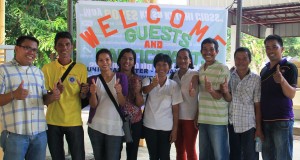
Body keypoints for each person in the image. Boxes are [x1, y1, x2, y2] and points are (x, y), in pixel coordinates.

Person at [0, 35, 60, 160]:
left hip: (39, 134)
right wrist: (13, 95)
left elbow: (43, 100)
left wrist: (53, 96)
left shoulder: (38, 72)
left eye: (34, 50)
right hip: (15, 134)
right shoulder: (3, 70)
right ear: (16, 48)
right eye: (27, 48)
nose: (31, 52)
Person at [42, 31, 88, 160]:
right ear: (55, 47)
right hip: (52, 122)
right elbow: (44, 99)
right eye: (60, 45)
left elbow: (82, 97)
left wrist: (84, 92)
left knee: (78, 157)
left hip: (74, 122)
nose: (64, 48)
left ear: (72, 46)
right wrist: (54, 93)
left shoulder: (81, 68)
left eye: (67, 44)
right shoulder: (46, 68)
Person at [221, 47, 264, 160]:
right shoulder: (229, 76)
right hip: (232, 124)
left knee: (250, 156)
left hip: (249, 126)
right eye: (238, 58)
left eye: (244, 58)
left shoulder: (256, 79)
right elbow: (228, 98)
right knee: (235, 156)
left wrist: (258, 128)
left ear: (249, 60)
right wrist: (225, 91)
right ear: (234, 60)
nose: (241, 61)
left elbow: (257, 105)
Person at [260, 34, 298, 160]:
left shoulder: (289, 67)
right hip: (265, 121)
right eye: (268, 47)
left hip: (282, 121)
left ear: (282, 49)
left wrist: (282, 81)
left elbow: (291, 94)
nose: (270, 50)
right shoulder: (264, 70)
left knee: (283, 157)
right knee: (267, 157)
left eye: (274, 47)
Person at [87, 48, 128, 160]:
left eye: (107, 59)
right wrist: (93, 93)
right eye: (101, 60)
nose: (104, 62)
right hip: (96, 126)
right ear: (97, 62)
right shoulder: (92, 79)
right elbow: (93, 105)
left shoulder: (121, 77)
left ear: (111, 61)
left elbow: (122, 103)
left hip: (114, 127)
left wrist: (119, 92)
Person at [142, 53, 183, 160]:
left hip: (166, 128)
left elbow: (176, 110)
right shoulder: (148, 80)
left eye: (164, 65)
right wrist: (153, 85)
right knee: (153, 156)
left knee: (165, 156)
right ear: (155, 66)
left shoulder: (174, 85)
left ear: (169, 67)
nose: (161, 68)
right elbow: (144, 91)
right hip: (149, 125)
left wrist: (175, 130)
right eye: (158, 64)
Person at [197, 38, 230, 160]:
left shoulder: (222, 68)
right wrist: (197, 116)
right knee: (205, 155)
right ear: (201, 51)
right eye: (205, 49)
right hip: (203, 119)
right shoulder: (201, 69)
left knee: (220, 156)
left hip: (218, 121)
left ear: (217, 51)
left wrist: (211, 90)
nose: (208, 52)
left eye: (211, 49)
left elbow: (220, 96)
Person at [170, 48, 199, 160]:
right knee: (179, 150)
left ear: (190, 60)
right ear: (176, 60)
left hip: (190, 118)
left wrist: (193, 90)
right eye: (180, 58)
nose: (182, 60)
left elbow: (196, 86)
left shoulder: (195, 74)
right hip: (176, 118)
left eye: (185, 58)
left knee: (190, 149)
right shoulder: (173, 76)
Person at [117, 48, 144, 160]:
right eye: (124, 58)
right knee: (115, 151)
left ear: (134, 63)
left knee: (132, 153)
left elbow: (139, 104)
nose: (127, 61)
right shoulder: (113, 77)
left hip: (134, 121)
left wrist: (137, 92)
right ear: (119, 60)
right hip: (116, 120)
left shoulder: (138, 79)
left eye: (130, 59)